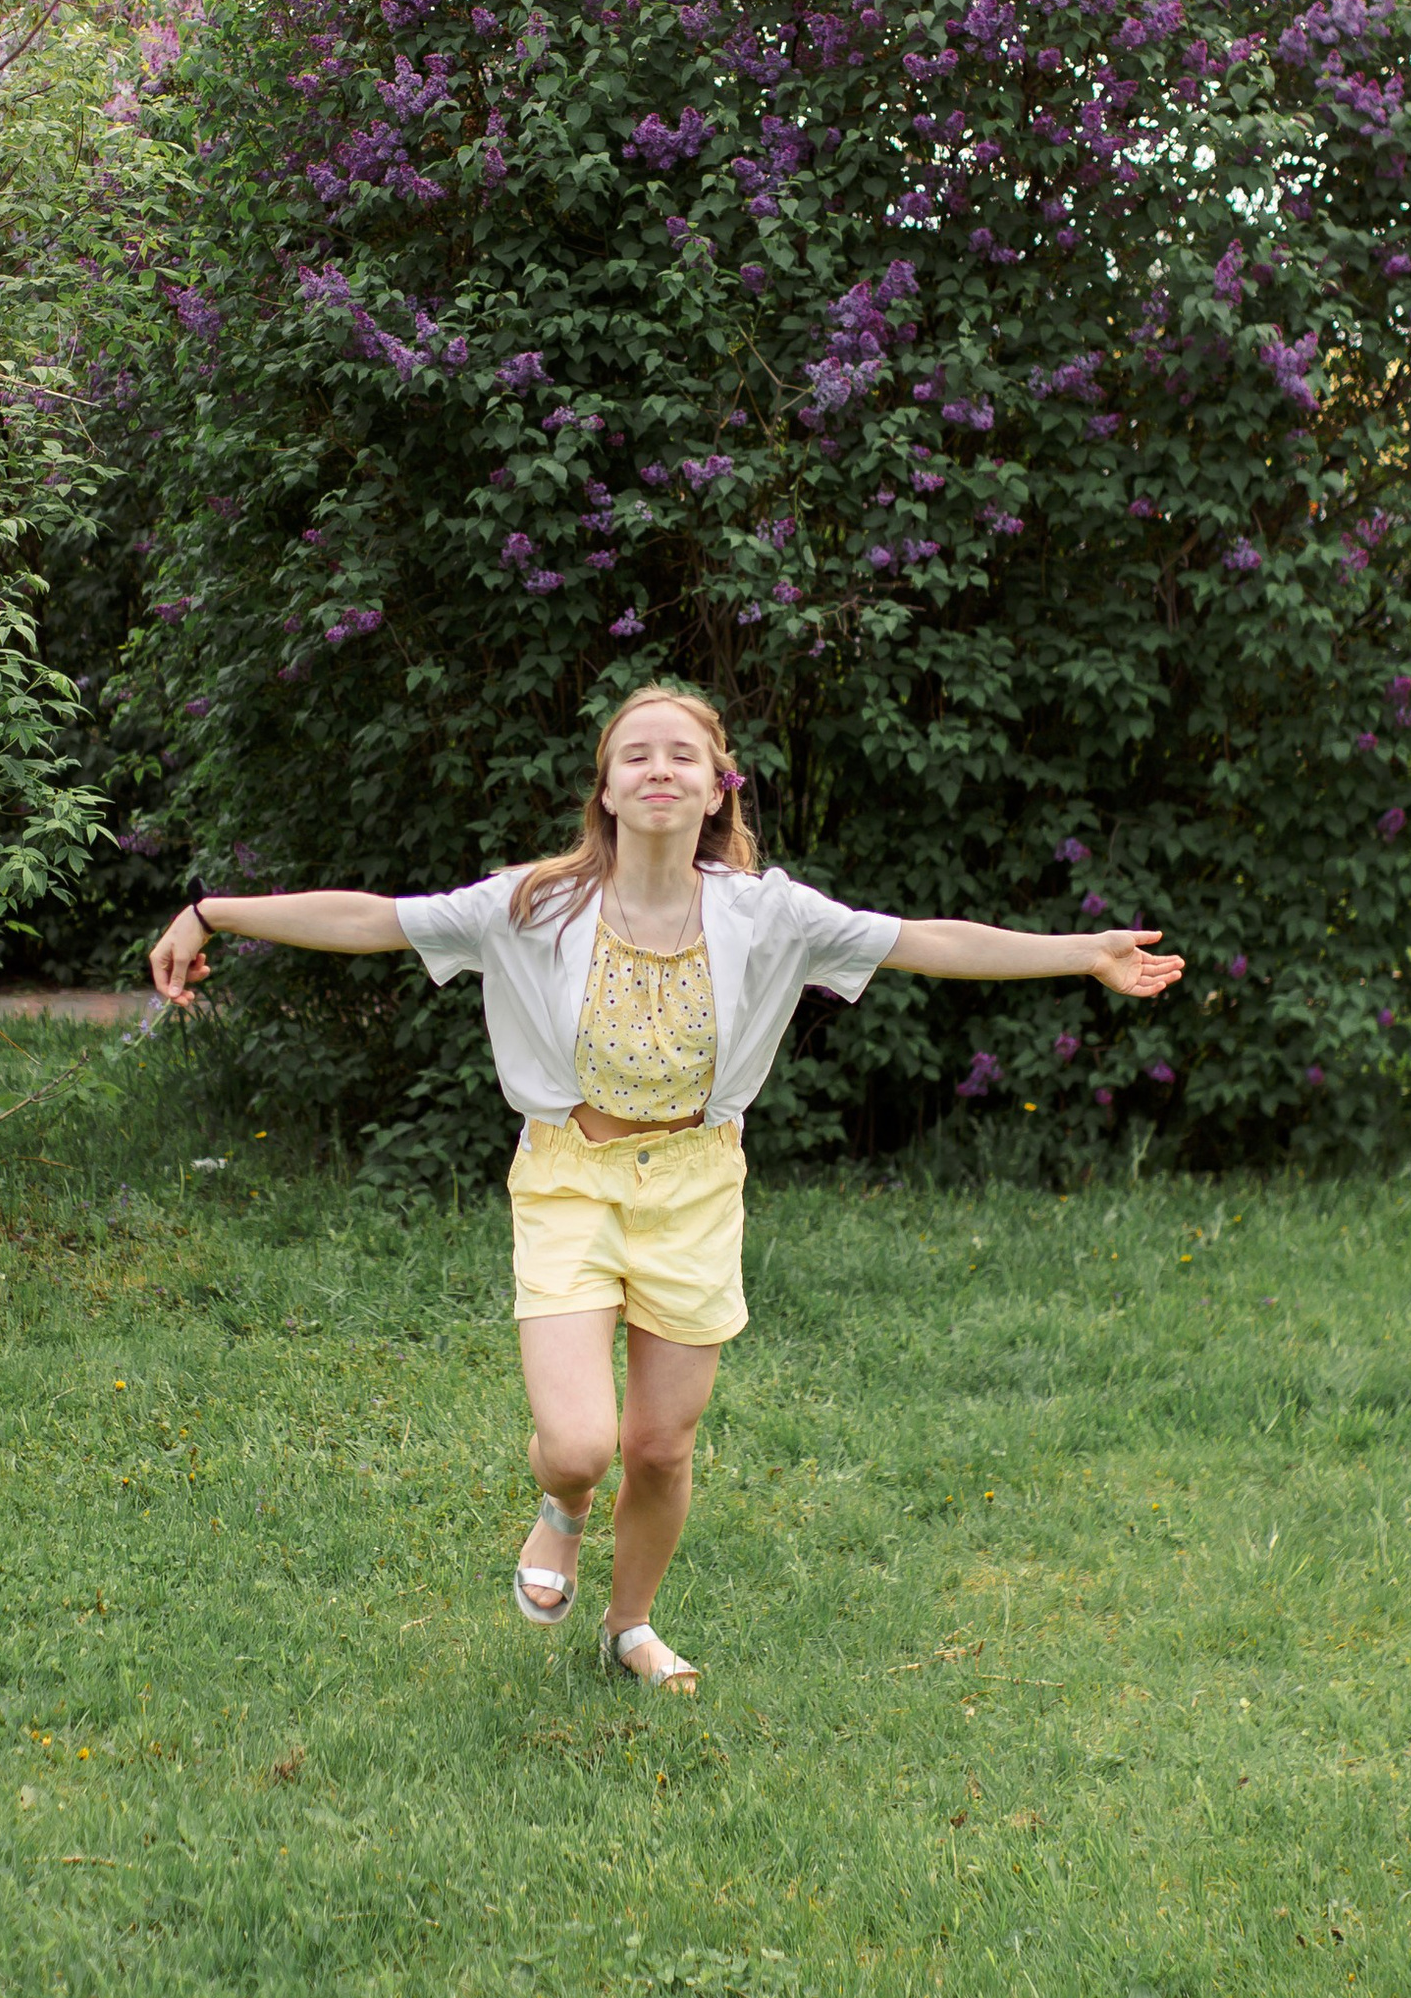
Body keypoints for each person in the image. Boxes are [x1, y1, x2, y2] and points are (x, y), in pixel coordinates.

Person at [148, 684, 1182, 1696]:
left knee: (658, 1444)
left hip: (696, 1184)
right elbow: (375, 918)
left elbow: (922, 940)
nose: (658, 768)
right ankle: (561, 1504)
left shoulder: (767, 912)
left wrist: (1081, 950)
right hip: (568, 1179)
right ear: (603, 787)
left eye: (682, 755)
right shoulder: (532, 902)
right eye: (635, 752)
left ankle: (628, 1624)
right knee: (583, 1443)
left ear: (714, 789)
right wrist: (211, 911)